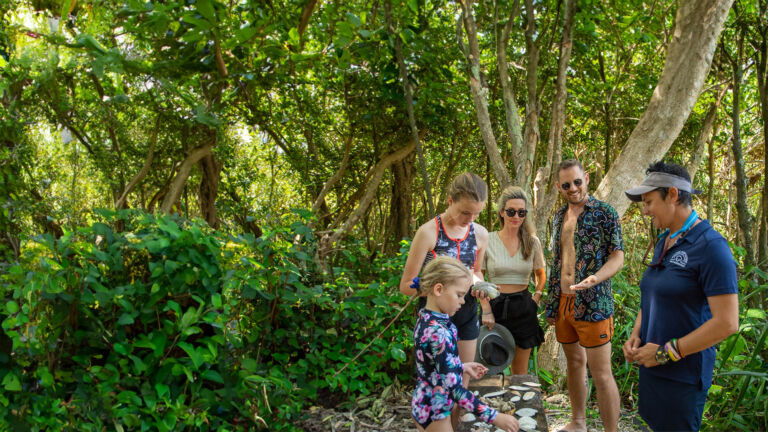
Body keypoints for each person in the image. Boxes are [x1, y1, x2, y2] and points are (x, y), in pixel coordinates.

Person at [622, 161, 739, 431]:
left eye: (649, 201)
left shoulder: (711, 248)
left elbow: (727, 322)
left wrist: (665, 353)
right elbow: (653, 293)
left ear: (673, 195)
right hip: (652, 368)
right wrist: (636, 334)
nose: (645, 209)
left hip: (682, 377)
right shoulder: (665, 241)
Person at [544, 159, 623, 432]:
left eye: (577, 182)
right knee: (574, 364)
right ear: (558, 186)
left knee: (601, 373)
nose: (573, 188)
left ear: (586, 178)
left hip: (594, 303)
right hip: (565, 302)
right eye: (566, 185)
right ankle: (578, 423)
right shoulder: (557, 217)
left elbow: (617, 257)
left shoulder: (605, 212)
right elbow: (557, 261)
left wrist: (596, 278)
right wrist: (553, 305)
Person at [411, 256, 519, 432]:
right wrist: (495, 417)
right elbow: (455, 390)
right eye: (459, 295)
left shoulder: (426, 318)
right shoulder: (439, 332)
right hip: (435, 411)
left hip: (424, 401)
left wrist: (462, 366)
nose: (463, 301)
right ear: (438, 289)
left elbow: (434, 365)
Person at [482, 185, 546, 375]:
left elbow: (541, 274)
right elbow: (479, 277)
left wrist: (536, 298)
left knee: (520, 371)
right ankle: (493, 405)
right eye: (511, 211)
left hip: (523, 306)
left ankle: (519, 404)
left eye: (521, 212)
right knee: (491, 367)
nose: (516, 216)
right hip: (495, 305)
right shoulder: (488, 239)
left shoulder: (532, 241)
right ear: (501, 212)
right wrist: (486, 309)